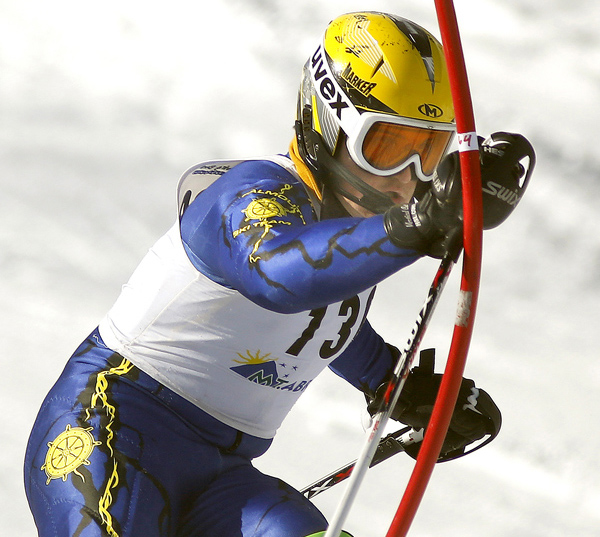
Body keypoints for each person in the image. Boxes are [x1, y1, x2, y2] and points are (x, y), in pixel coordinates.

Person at [24, 11, 532, 537]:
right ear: (330, 119)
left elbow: (327, 326)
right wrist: (419, 224)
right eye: (387, 148)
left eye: (429, 153)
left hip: (223, 479)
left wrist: (400, 386)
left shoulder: (357, 230)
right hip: (110, 430)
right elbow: (282, 275)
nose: (408, 181)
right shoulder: (253, 194)